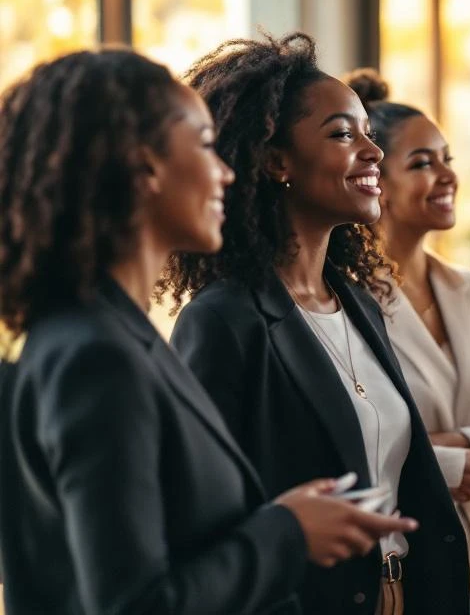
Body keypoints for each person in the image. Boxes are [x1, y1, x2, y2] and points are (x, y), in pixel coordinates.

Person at [0, 49, 415, 615]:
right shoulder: (95, 356)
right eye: (202, 145)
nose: (225, 170)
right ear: (143, 167)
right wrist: (287, 532)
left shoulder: (118, 338)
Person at [161, 34, 470, 615]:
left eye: (368, 133)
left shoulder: (359, 303)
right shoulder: (222, 322)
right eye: (342, 134)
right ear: (276, 161)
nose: (372, 152)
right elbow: (205, 524)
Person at [343, 68, 470, 615]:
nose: (446, 176)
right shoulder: (343, 301)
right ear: (376, 181)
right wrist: (453, 461)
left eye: (447, 160)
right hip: (395, 569)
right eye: (422, 163)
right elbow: (353, 453)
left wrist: (451, 439)